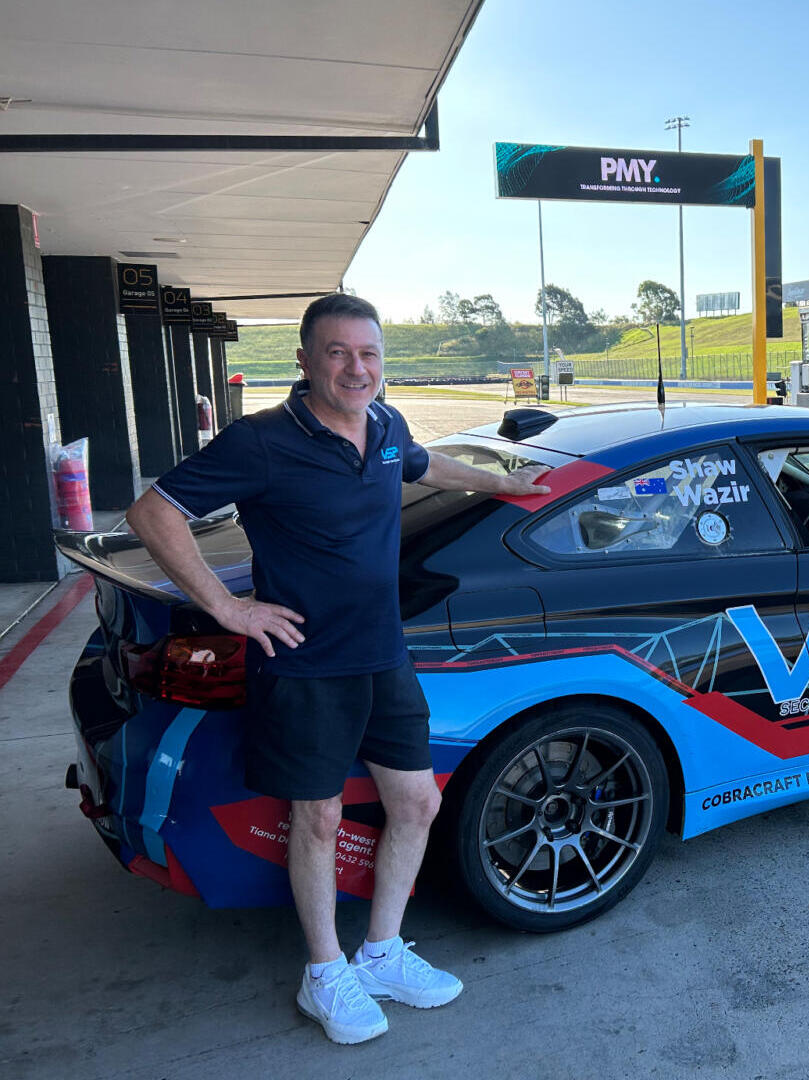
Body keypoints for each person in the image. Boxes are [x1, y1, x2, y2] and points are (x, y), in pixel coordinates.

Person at [125, 294, 552, 1044]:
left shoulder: (386, 424)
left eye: (369, 354)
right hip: (305, 665)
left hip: (383, 654)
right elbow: (152, 512)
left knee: (416, 803)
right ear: (305, 361)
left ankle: (381, 954)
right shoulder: (260, 441)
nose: (357, 368)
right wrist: (228, 607)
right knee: (318, 820)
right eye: (338, 352)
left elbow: (425, 465)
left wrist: (505, 484)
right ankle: (324, 973)